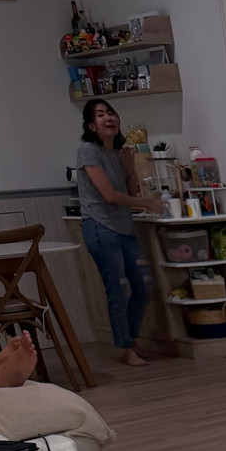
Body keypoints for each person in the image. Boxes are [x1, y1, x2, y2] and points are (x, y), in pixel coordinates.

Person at [75, 99, 165, 367]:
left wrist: (129, 169)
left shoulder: (118, 152)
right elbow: (110, 196)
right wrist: (147, 203)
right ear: (91, 125)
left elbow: (130, 191)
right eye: (100, 115)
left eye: (110, 113)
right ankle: (127, 348)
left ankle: (130, 339)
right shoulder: (88, 151)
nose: (108, 118)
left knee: (143, 286)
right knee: (118, 288)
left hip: (123, 227)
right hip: (100, 227)